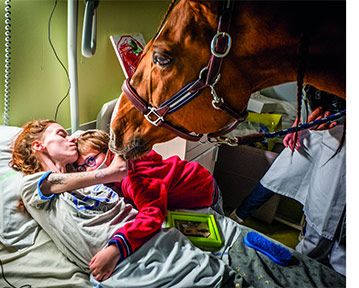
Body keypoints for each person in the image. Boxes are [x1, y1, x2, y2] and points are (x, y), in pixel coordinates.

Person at [11, 120, 223, 282]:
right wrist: (112, 172)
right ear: (39, 145)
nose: (71, 139)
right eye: (61, 134)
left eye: (91, 161)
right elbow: (53, 183)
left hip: (194, 198)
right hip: (131, 257)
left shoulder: (111, 177)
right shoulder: (31, 185)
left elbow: (147, 206)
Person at [74, 129, 223, 281]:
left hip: (203, 189)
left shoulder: (134, 176)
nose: (88, 170)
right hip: (187, 183)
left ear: (110, 151)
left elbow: (152, 214)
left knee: (218, 240)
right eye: (82, 168)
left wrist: (116, 248)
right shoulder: (123, 167)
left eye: (91, 161)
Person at [229, 88, 346, 275]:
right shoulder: (314, 69)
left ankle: (309, 261)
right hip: (313, 130)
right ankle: (237, 216)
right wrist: (298, 126)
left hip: (342, 138)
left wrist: (334, 120)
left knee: (324, 204)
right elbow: (311, 102)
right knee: (276, 175)